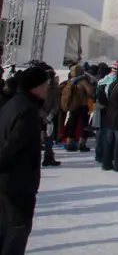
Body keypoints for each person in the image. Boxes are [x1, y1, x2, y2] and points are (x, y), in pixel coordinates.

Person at [0, 66, 50, 254]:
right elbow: (10, 146)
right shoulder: (27, 111)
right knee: (16, 233)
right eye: (44, 84)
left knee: (6, 232)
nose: (47, 88)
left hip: (8, 182)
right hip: (17, 184)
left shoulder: (13, 103)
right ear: (34, 87)